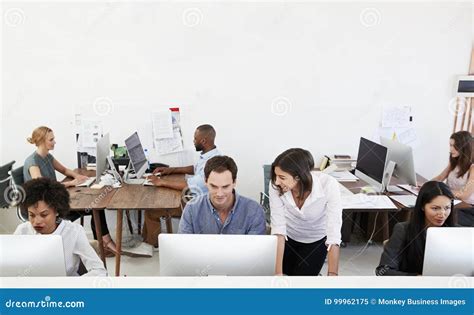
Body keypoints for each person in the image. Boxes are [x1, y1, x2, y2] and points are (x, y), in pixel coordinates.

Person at [24, 126, 117, 255]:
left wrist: (77, 176)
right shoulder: (33, 163)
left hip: (54, 201)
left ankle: (104, 243)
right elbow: (43, 188)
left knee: (96, 206)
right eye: (51, 139)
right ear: (41, 141)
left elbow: (64, 170)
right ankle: (105, 244)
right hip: (47, 209)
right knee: (95, 206)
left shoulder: (47, 157)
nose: (54, 141)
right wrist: (71, 183)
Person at [142, 124, 221, 246]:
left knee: (152, 211)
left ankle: (151, 246)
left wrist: (161, 182)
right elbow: (195, 168)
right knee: (156, 202)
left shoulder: (213, 162)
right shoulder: (210, 154)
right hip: (194, 197)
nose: (193, 141)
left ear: (203, 141)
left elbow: (190, 185)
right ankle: (146, 241)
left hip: (199, 205)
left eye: (195, 139)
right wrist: (171, 170)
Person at [269, 148, 342, 276]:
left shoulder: (328, 185)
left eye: (282, 177)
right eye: (276, 176)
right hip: (288, 237)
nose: (276, 181)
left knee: (302, 282)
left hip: (315, 240)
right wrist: (277, 274)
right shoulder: (276, 185)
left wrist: (332, 274)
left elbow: (333, 234)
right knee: (283, 274)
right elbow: (278, 229)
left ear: (298, 177)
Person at [14, 178, 107, 276]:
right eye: (32, 215)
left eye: (44, 215)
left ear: (57, 211)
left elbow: (99, 270)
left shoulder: (73, 232)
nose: (36, 221)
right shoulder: (22, 231)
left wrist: (72, 286)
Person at [376, 181, 456, 276]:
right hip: (412, 287)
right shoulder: (403, 230)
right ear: (422, 206)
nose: (442, 214)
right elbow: (383, 271)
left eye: (447, 208)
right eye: (435, 208)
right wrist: (417, 278)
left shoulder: (457, 233)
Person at [178, 155, 266, 234]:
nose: (219, 194)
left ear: (234, 182)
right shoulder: (191, 209)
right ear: (205, 181)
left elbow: (255, 251)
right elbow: (183, 247)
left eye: (225, 187)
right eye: (214, 186)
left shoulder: (254, 211)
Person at [432, 130, 473, 226]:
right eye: (450, 145)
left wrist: (443, 189)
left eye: (454, 146)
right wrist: (426, 185)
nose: (451, 149)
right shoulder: (455, 161)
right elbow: (440, 177)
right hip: (451, 203)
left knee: (438, 217)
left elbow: (464, 195)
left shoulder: (472, 168)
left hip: (467, 209)